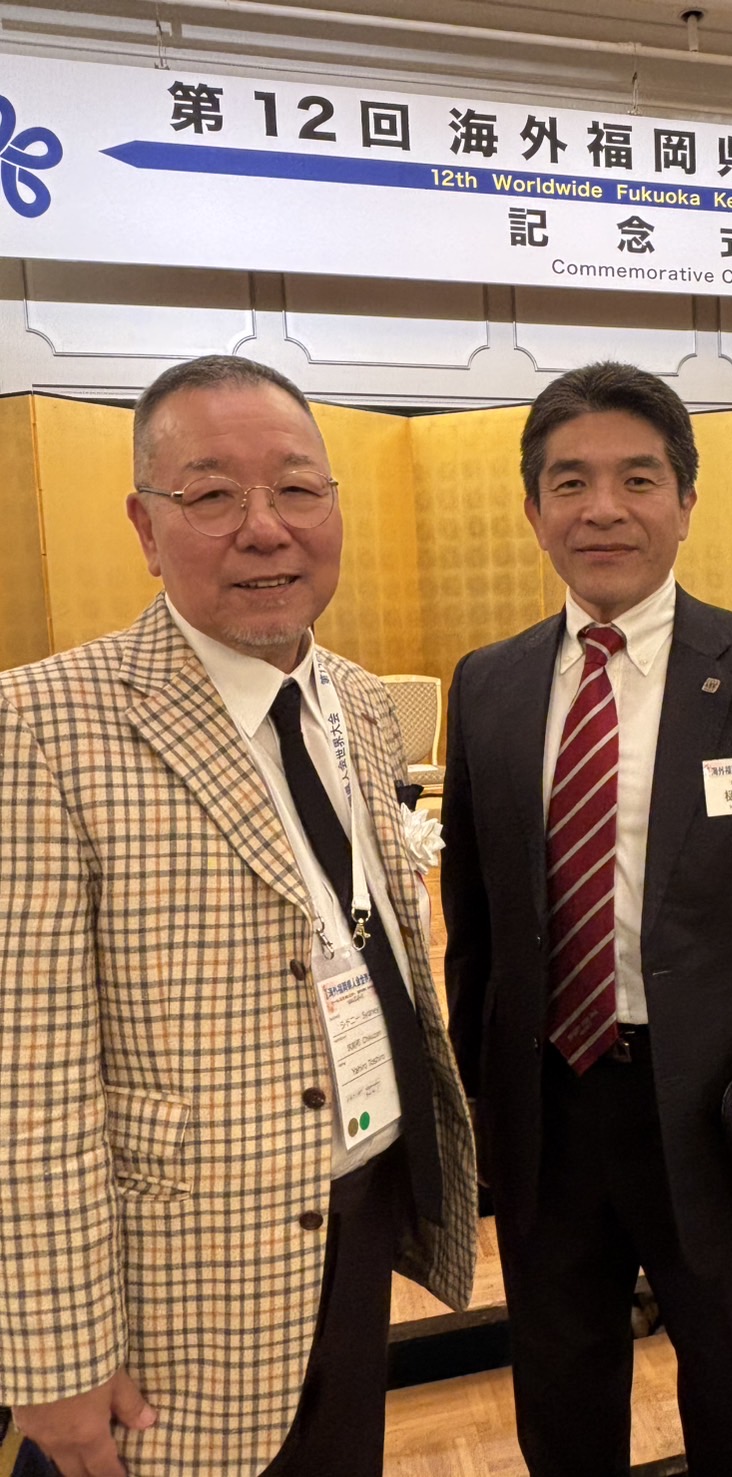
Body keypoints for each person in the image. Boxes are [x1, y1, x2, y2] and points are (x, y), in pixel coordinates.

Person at [0, 355, 476, 1477]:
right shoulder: (41, 724)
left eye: (298, 489)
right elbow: (25, 1080)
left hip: (358, 1203)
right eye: (212, 494)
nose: (266, 529)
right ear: (144, 524)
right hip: (179, 1280)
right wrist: (53, 1354)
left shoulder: (360, 702)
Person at [441, 361, 732, 1476]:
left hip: (716, 1105)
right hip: (545, 1110)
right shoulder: (488, 685)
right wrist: (474, 1102)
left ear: (686, 500)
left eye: (637, 478)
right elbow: (476, 924)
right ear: (534, 510)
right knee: (560, 1384)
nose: (602, 508)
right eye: (570, 482)